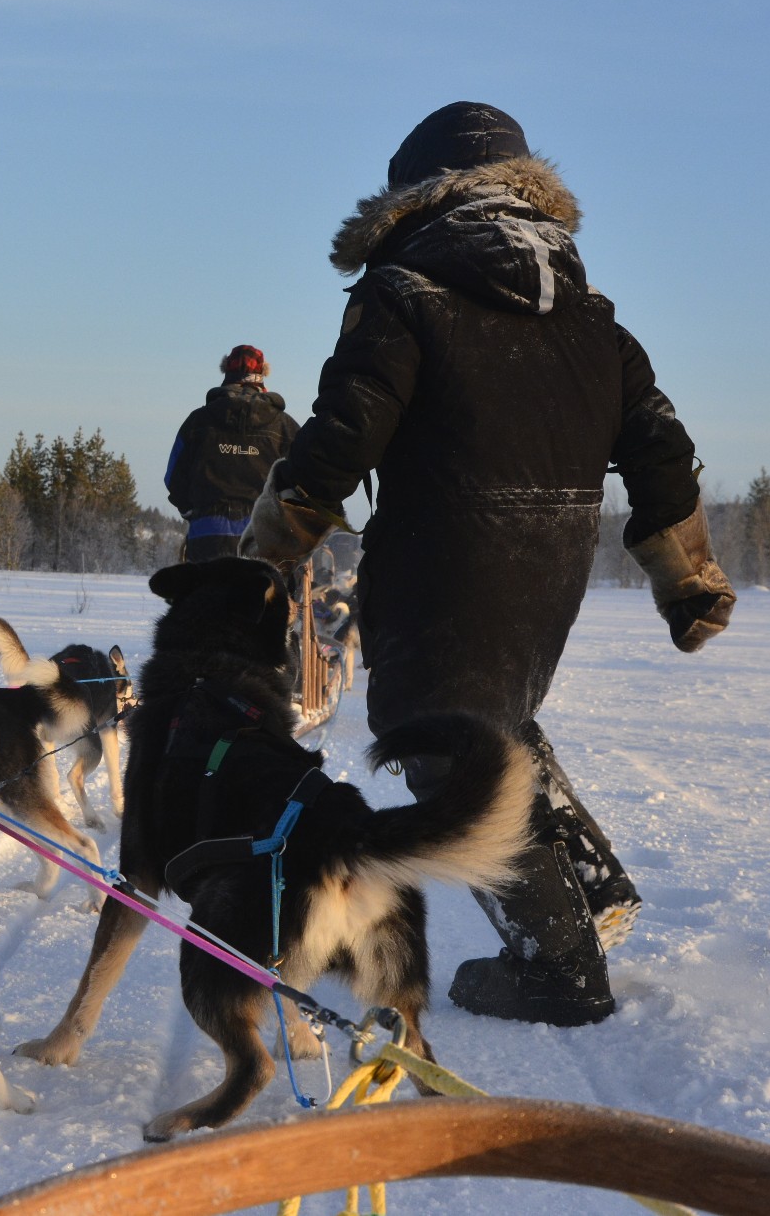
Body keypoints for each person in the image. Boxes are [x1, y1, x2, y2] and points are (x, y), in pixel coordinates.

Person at [242, 101, 735, 1027]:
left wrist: (267, 557)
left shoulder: (402, 295)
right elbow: (662, 449)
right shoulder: (594, 320)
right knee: (497, 719)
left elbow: (342, 436)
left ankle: (560, 968)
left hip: (443, 553)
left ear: (413, 198)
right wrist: (687, 574)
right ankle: (587, 889)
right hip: (550, 562)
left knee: (441, 741)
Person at [163, 345, 301, 562]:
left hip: (207, 535)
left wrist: (193, 513)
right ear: (261, 377)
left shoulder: (197, 422)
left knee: (208, 595)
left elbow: (174, 479)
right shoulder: (285, 427)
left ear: (227, 374)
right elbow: (305, 484)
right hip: (265, 537)